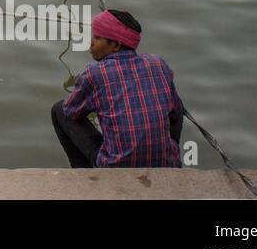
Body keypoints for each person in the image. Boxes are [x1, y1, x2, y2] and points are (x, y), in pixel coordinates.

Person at [50, 9, 184, 168]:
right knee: (177, 104)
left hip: (116, 166)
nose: (91, 42)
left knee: (59, 110)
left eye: (97, 37)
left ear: (115, 45)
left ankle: (84, 175)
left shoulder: (94, 73)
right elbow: (176, 112)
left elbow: (71, 110)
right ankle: (168, 152)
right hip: (167, 163)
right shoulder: (158, 63)